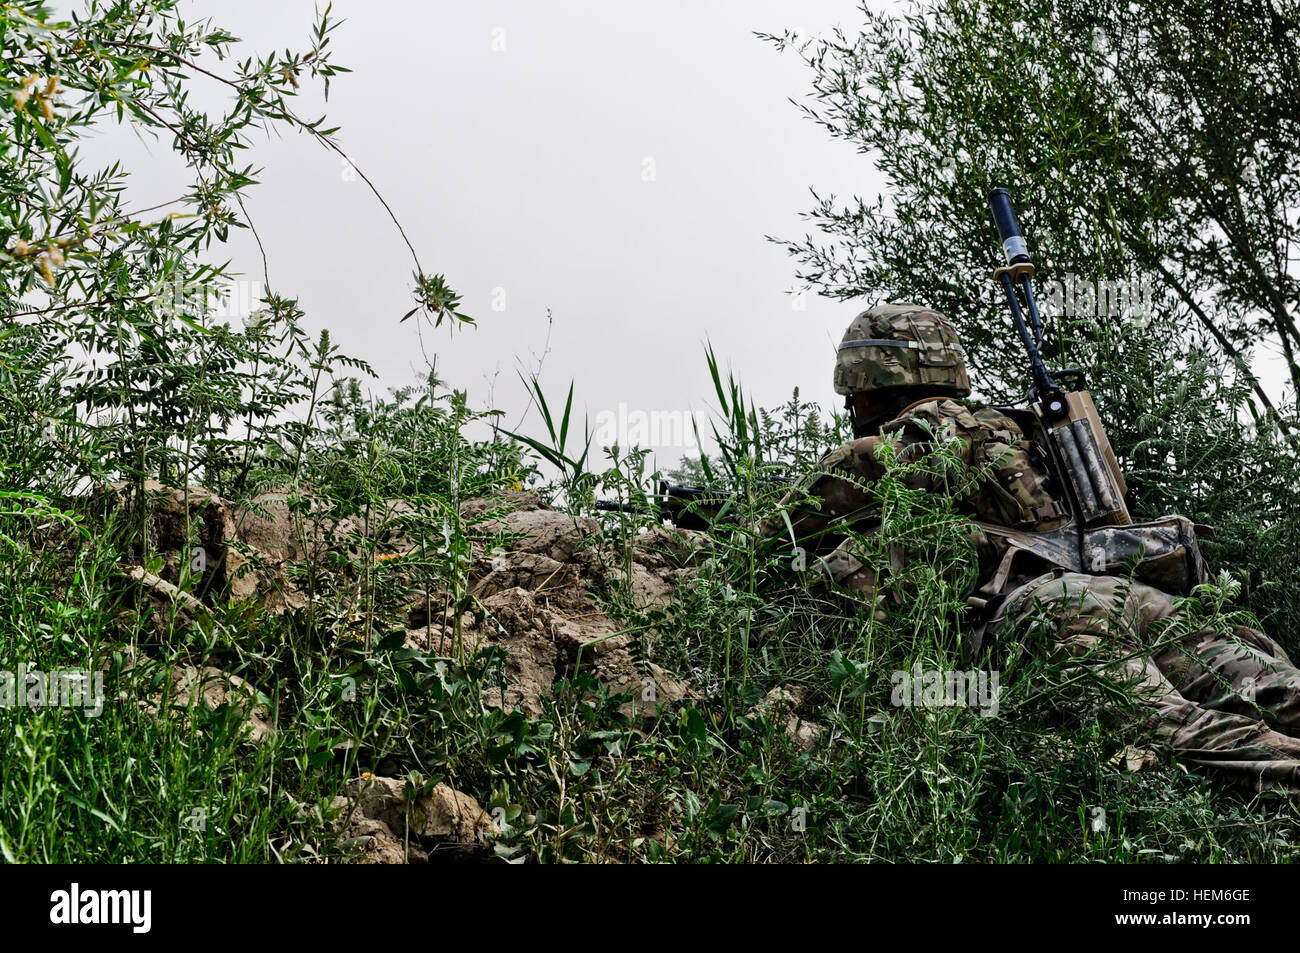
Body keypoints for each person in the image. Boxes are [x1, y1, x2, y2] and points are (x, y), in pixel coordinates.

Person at [773, 301, 1300, 792]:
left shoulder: (877, 454)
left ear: (863, 387)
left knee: (1188, 737)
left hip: (1048, 614)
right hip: (1126, 593)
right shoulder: (1025, 431)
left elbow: (758, 539)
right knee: (1279, 689)